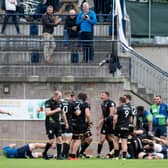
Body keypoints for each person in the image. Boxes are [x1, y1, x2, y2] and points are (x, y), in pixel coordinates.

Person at [42, 90, 69, 160]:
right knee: (51, 141)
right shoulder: (48, 102)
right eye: (59, 97)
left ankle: (59, 156)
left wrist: (66, 123)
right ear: (55, 96)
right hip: (50, 124)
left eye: (61, 97)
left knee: (60, 139)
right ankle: (44, 153)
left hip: (58, 123)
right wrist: (56, 110)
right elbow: (47, 113)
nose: (60, 98)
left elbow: (63, 114)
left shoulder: (60, 103)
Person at [69, 92, 92, 160]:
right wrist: (89, 122)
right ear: (85, 98)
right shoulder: (85, 104)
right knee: (78, 139)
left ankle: (70, 154)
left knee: (73, 139)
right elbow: (87, 114)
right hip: (80, 123)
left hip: (73, 123)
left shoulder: (73, 103)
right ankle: (73, 155)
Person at [96, 91, 116, 158]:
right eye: (101, 95)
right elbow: (103, 114)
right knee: (102, 140)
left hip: (110, 123)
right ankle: (98, 154)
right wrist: (99, 122)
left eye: (103, 95)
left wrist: (102, 121)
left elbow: (111, 114)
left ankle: (111, 154)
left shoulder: (111, 103)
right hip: (105, 123)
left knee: (110, 139)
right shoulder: (102, 103)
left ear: (107, 96)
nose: (101, 97)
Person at [61, 91, 76, 159]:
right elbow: (77, 113)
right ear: (70, 96)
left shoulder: (60, 103)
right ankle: (65, 155)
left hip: (61, 123)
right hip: (68, 123)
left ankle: (63, 155)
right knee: (68, 140)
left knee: (63, 140)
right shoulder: (72, 103)